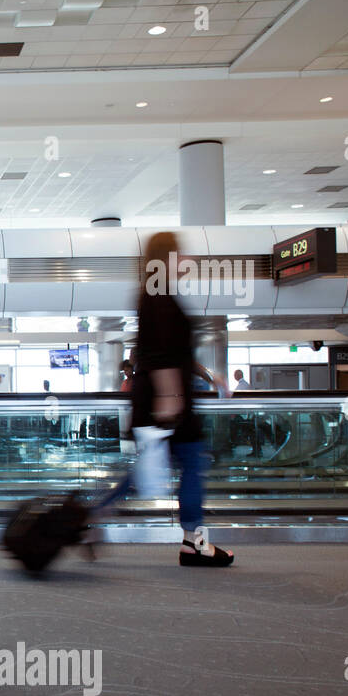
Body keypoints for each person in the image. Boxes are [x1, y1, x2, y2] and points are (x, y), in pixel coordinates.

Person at [99, 231, 234, 566]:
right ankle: (193, 542)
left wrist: (209, 376)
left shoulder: (158, 293)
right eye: (180, 254)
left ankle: (90, 515)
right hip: (169, 402)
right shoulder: (157, 295)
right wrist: (171, 398)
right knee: (192, 463)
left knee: (151, 468)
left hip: (165, 400)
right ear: (167, 258)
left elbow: (175, 352)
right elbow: (160, 356)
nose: (187, 259)